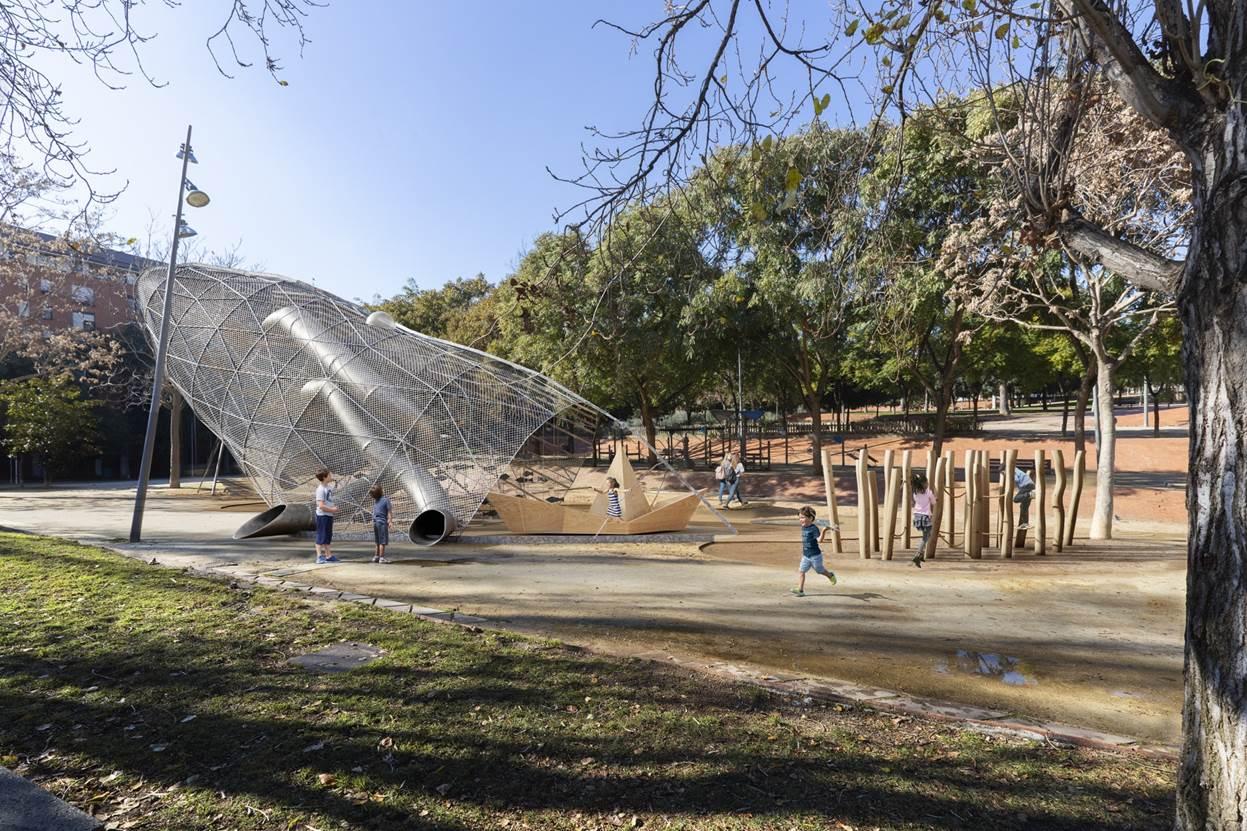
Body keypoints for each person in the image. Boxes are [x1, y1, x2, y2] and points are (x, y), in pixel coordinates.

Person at [791, 506, 837, 596]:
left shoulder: (814, 528)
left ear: (811, 518)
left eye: (803, 517)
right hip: (806, 556)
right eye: (799, 517)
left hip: (815, 556)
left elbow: (819, 540)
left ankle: (830, 575)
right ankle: (800, 590)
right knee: (801, 571)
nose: (801, 520)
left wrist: (824, 530)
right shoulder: (804, 527)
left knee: (819, 571)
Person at [313, 468, 339, 564]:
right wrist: (333, 509)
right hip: (322, 515)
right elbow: (321, 505)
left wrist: (332, 509)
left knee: (327, 536)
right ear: (324, 477)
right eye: (329, 475)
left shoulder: (328, 487)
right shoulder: (320, 490)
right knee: (321, 536)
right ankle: (319, 556)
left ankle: (328, 555)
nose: (331, 476)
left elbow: (328, 500)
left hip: (328, 514)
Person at [911, 471, 935, 568]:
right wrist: (934, 498)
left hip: (917, 516)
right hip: (925, 517)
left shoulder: (915, 493)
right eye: (927, 482)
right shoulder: (928, 492)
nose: (928, 484)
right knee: (925, 537)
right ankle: (917, 555)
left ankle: (920, 556)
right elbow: (933, 502)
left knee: (926, 535)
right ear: (924, 483)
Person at [370, 484, 394, 563]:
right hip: (382, 523)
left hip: (375, 522)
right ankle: (382, 558)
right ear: (381, 491)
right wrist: (390, 521)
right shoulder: (386, 500)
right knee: (382, 541)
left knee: (377, 541)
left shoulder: (376, 501)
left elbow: (375, 512)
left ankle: (376, 556)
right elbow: (389, 512)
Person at [1013, 465, 1035, 529]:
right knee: (1024, 506)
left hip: (1026, 486)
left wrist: (1009, 478)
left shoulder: (1012, 471)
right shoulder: (1016, 469)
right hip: (1029, 485)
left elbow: (1016, 479)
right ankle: (1025, 523)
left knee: (1015, 499)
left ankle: (1030, 494)